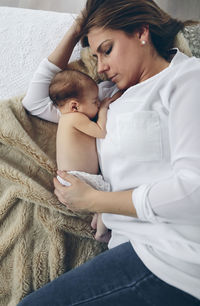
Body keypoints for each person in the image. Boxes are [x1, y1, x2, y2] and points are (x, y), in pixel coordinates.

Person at [18, 0, 200, 305]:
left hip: (172, 259)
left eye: (107, 49)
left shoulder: (186, 80)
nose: (100, 67)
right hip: (128, 250)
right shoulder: (103, 97)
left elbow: (193, 190)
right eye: (94, 56)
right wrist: (79, 28)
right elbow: (35, 101)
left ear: (142, 32)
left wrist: (96, 200)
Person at [49, 68, 121, 242]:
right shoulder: (75, 118)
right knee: (108, 198)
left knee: (102, 202)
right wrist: (103, 109)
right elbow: (100, 131)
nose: (98, 103)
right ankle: (102, 233)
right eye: (95, 101)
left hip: (74, 177)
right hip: (78, 178)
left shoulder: (67, 119)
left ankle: (97, 221)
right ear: (75, 106)